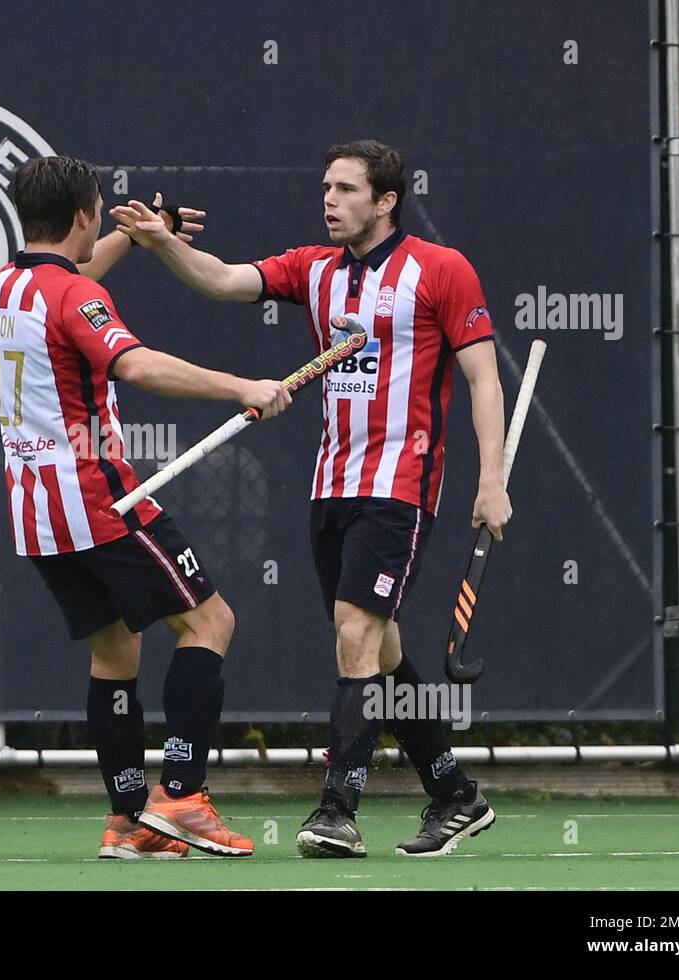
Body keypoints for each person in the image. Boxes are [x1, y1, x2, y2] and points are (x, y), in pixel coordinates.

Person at [113, 139, 510, 858]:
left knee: (354, 632)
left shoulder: (441, 270)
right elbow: (225, 280)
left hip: (401, 486)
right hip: (332, 485)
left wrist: (492, 481)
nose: (330, 200)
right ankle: (455, 795)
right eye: (326, 187)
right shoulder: (314, 269)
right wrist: (162, 244)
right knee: (381, 649)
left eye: (347, 189)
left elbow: (483, 378)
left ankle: (338, 810)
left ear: (386, 201)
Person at [0, 155, 291, 858]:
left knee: (116, 655)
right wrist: (243, 384)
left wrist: (152, 234)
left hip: (37, 514)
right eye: (99, 211)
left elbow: (68, 285)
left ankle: (127, 822)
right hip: (102, 500)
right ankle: (181, 797)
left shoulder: (5, 286)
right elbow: (135, 363)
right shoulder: (73, 299)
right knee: (210, 620)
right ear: (85, 214)